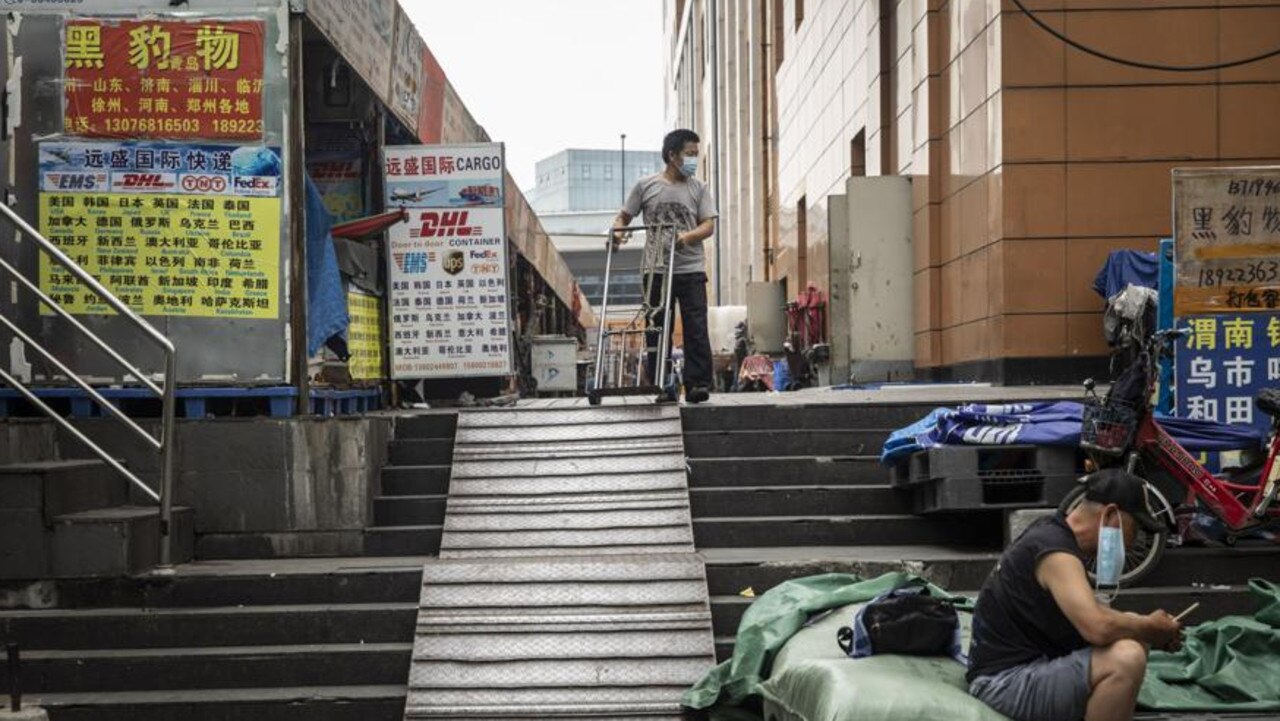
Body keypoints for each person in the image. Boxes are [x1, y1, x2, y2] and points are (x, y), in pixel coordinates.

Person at [967, 469, 1182, 721]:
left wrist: (1147, 628)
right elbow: (1097, 627)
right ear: (1111, 515)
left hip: (1026, 669)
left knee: (1133, 628)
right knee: (1126, 658)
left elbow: (1094, 614)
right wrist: (1149, 626)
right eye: (1136, 530)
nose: (1134, 544)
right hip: (1002, 683)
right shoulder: (1056, 553)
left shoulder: (1052, 532)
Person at [613, 129, 717, 403]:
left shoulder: (699, 188)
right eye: (690, 154)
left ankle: (697, 385)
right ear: (672, 155)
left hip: (691, 269)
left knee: (696, 326)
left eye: (696, 154)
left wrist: (688, 237)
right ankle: (663, 384)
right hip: (656, 270)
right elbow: (623, 217)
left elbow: (708, 225)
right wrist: (617, 232)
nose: (694, 159)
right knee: (658, 327)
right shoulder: (646, 186)